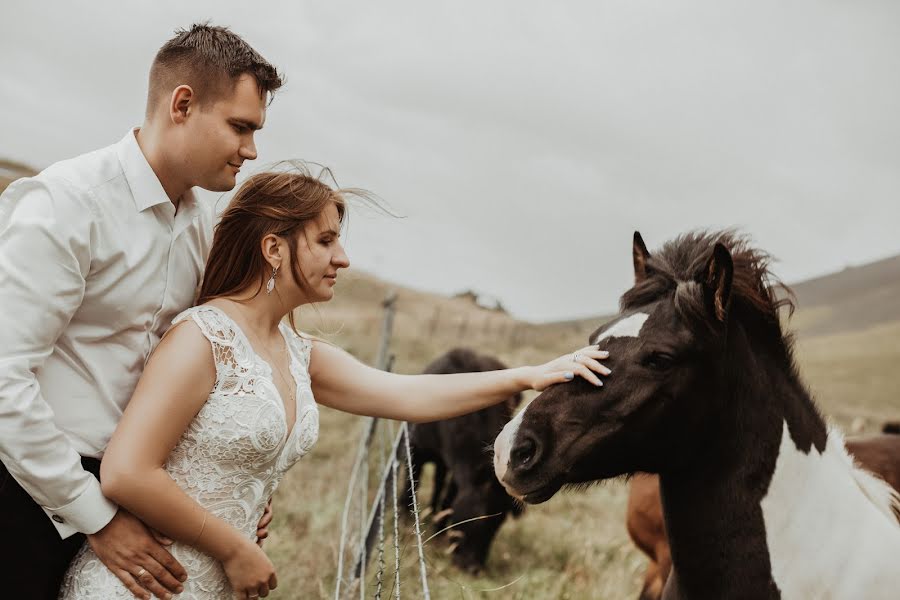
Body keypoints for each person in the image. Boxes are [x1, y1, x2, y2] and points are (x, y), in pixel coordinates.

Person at [58, 167, 611, 599]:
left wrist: (532, 375)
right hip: (140, 584)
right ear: (274, 248)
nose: (343, 258)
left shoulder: (300, 353)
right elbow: (128, 472)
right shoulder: (202, 338)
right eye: (325, 241)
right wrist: (233, 549)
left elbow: (409, 395)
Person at [0, 24, 282, 600]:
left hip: (137, 493)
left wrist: (233, 488)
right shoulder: (67, 205)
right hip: (22, 498)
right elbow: (3, 378)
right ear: (182, 104)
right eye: (240, 127)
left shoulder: (202, 226)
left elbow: (206, 361)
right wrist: (93, 515)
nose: (251, 150)